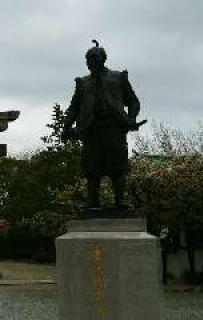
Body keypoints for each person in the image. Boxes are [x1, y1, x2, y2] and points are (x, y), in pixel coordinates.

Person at [62, 40, 145, 208]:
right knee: (92, 169)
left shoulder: (118, 77)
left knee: (118, 167)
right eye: (87, 60)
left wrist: (131, 119)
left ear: (102, 59)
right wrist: (66, 127)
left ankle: (120, 201)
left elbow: (133, 102)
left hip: (114, 127)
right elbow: (73, 108)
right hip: (91, 129)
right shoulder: (83, 83)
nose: (89, 63)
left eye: (92, 59)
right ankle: (93, 202)